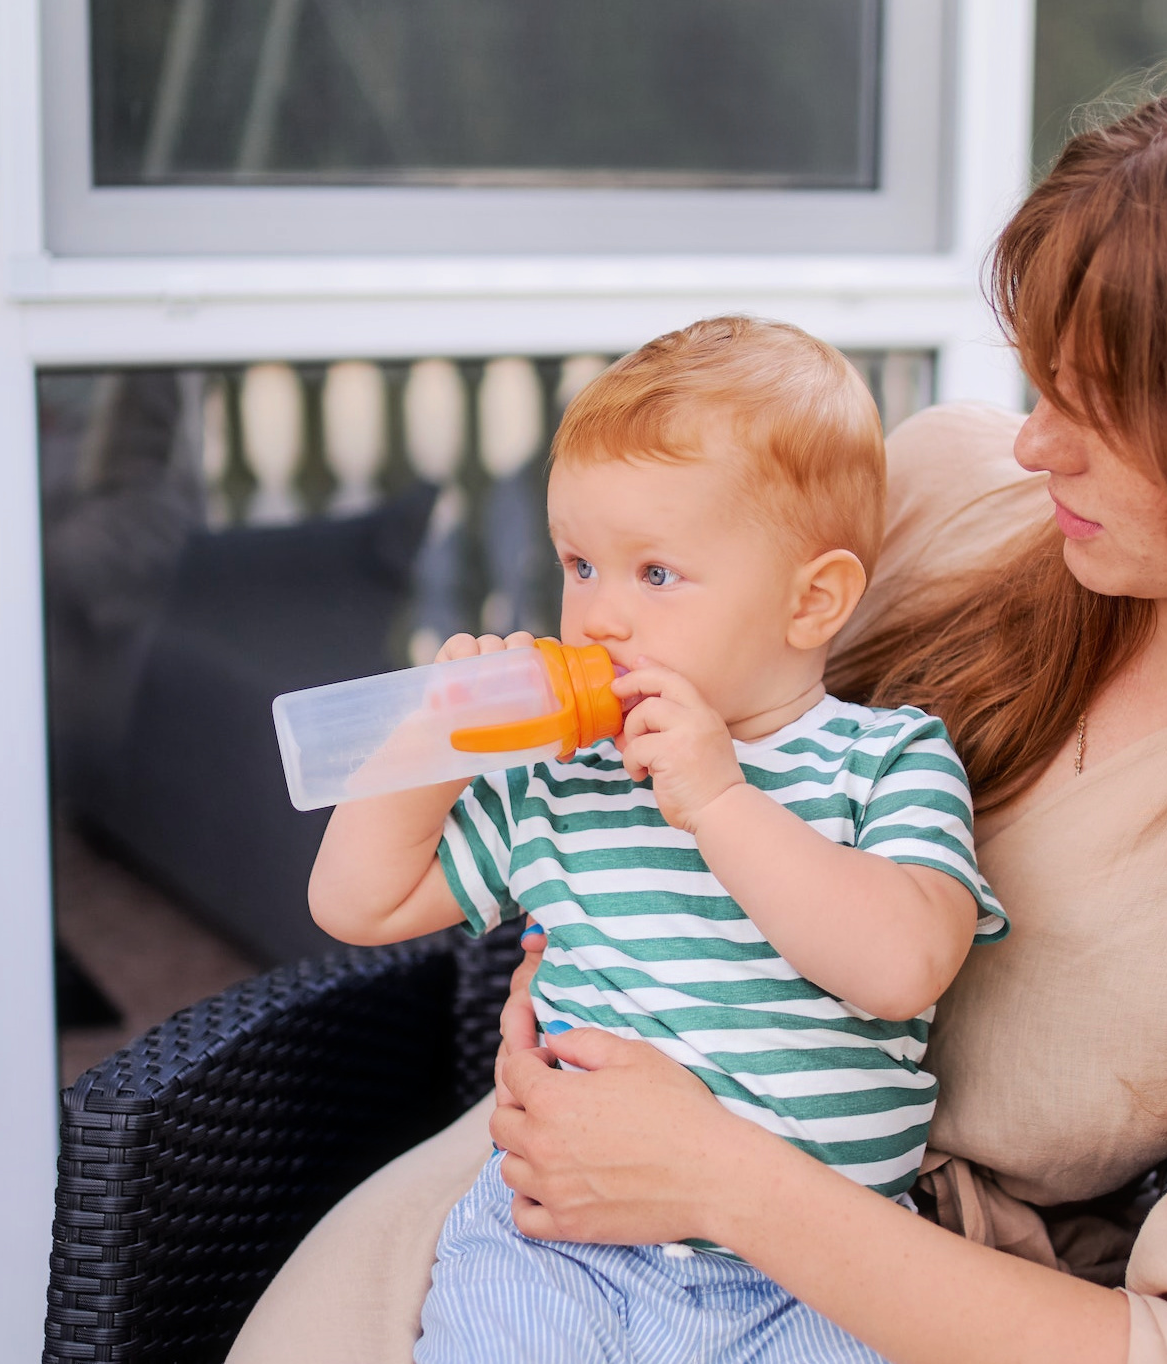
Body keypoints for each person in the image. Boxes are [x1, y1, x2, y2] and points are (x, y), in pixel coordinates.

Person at [229, 43, 1167, 1364]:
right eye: (1043, 375)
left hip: (863, 1305)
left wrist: (727, 1180)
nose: (1035, 440)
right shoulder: (954, 499)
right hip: (535, 1213)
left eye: (1109, 406)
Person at [306, 316, 1006, 1363]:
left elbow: (902, 966)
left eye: (656, 575)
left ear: (812, 600)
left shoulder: (884, 760)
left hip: (814, 1275)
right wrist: (433, 745)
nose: (596, 620)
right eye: (579, 565)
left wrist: (719, 798)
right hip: (560, 1251)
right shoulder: (561, 782)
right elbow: (357, 903)